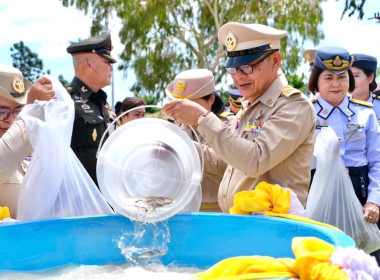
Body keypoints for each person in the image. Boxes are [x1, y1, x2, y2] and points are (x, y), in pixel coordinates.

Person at [162, 22, 316, 212]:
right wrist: (173, 143)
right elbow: (222, 163)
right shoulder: (250, 105)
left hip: (272, 226)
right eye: (233, 69)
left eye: (247, 67)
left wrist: (202, 118)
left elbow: (255, 160)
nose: (238, 77)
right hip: (243, 223)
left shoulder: (293, 106)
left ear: (275, 60)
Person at [308, 46, 380, 262]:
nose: (336, 84)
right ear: (316, 82)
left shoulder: (365, 113)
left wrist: (374, 201)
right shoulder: (305, 113)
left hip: (360, 191)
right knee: (322, 259)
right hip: (317, 190)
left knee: (365, 259)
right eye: (328, 77)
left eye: (341, 77)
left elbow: (377, 161)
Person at [165, 68, 231, 212]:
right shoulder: (180, 126)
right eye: (177, 103)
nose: (181, 109)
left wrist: (180, 143)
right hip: (182, 209)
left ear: (211, 99)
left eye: (189, 104)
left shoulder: (228, 125)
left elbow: (222, 165)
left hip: (216, 212)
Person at [0, 64, 56, 218]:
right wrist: (31, 113)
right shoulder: (18, 141)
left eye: (18, 111)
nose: (11, 120)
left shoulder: (27, 146)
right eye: (2, 111)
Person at [66, 33, 116, 187]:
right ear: (88, 64)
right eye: (107, 62)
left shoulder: (102, 103)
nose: (111, 69)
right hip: (78, 201)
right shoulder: (65, 101)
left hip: (108, 198)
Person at [350, 53, 380, 121]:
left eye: (356, 76)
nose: (350, 81)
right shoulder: (336, 106)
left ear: (370, 78)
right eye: (347, 76)